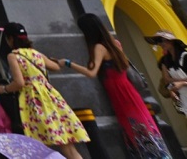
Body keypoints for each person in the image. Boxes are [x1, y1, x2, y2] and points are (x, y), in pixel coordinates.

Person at [63, 14, 169, 157]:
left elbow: (91, 72)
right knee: (144, 127)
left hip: (119, 93)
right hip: (128, 90)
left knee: (133, 130)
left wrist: (69, 63)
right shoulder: (115, 44)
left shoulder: (99, 48)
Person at [0, 22, 89, 159]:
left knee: (38, 145)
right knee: (68, 147)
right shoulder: (36, 54)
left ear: (10, 39)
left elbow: (19, 83)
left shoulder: (13, 56)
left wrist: (3, 89)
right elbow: (56, 67)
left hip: (33, 102)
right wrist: (58, 61)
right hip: (51, 99)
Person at [147, 29, 187, 115]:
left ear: (171, 41)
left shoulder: (185, 57)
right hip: (184, 99)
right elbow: (167, 80)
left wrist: (182, 83)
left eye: (161, 40)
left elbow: (171, 81)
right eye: (158, 42)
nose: (160, 44)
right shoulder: (165, 61)